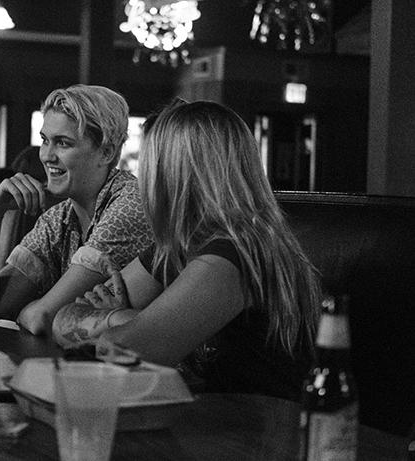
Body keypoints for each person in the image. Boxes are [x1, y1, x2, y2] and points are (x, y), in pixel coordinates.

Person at [52, 100, 322, 400]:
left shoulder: (235, 254)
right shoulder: (176, 247)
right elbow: (63, 319)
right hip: (211, 422)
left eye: (149, 163)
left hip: (254, 433)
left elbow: (123, 350)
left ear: (172, 173)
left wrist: (119, 319)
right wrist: (127, 319)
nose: (143, 178)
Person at [0, 84, 153, 334]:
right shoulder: (58, 218)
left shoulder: (130, 202)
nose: (46, 156)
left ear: (106, 152)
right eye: (45, 141)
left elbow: (42, 318)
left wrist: (31, 309)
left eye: (63, 143)